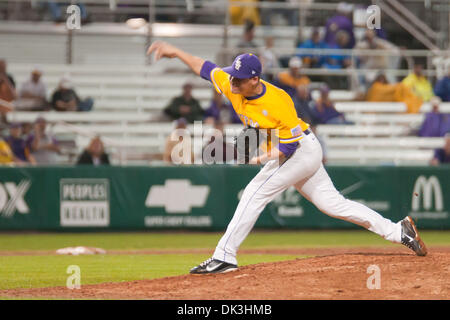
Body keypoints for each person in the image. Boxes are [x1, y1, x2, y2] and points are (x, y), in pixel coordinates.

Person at [147, 41, 428, 274]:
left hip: (302, 150)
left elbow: (289, 148)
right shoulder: (232, 84)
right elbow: (204, 67)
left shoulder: (279, 101)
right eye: (232, 74)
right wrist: (176, 52)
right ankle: (398, 231)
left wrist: (261, 158)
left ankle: (225, 256)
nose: (232, 80)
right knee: (334, 204)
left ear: (255, 80)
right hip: (296, 151)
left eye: (239, 78)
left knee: (254, 192)